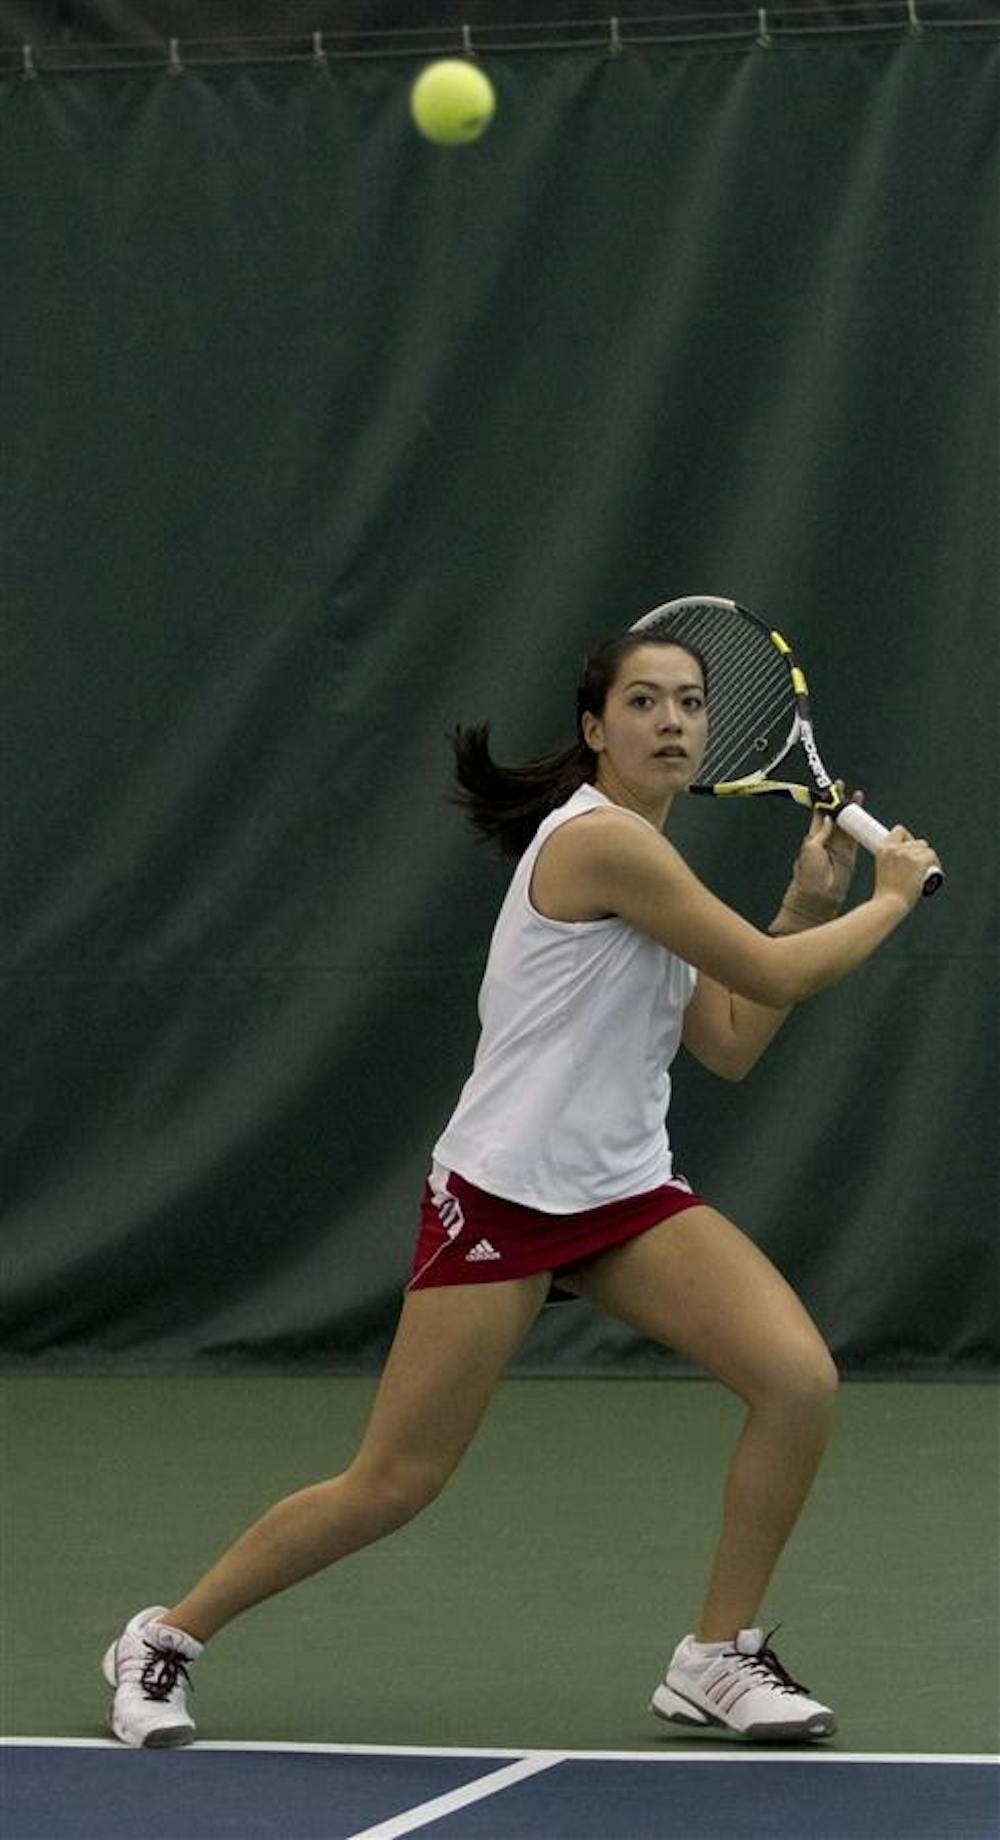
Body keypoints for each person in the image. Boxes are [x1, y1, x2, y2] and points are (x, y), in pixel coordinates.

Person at [102, 625, 938, 1747]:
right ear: (595, 729)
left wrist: (805, 903)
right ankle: (164, 1636)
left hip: (622, 1194)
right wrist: (890, 900)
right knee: (395, 1481)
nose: (674, 722)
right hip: (502, 1194)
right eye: (643, 702)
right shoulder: (604, 845)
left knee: (796, 1382)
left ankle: (715, 1657)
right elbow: (775, 977)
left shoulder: (653, 864)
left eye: (691, 703)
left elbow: (733, 1040)